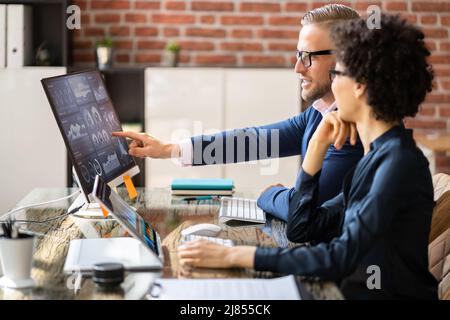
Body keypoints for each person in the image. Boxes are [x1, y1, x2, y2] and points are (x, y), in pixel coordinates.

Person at [177, 14, 438, 300]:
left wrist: (234, 256)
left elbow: (341, 256)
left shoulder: (398, 164)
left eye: (338, 73)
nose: (334, 85)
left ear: (360, 84)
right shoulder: (374, 158)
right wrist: (314, 151)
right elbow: (303, 228)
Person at [113, 4, 363, 222]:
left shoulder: (351, 129)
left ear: (345, 59)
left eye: (308, 57)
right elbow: (253, 140)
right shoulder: (320, 113)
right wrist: (168, 149)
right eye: (298, 55)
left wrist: (268, 194)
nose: (297, 67)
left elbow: (299, 208)